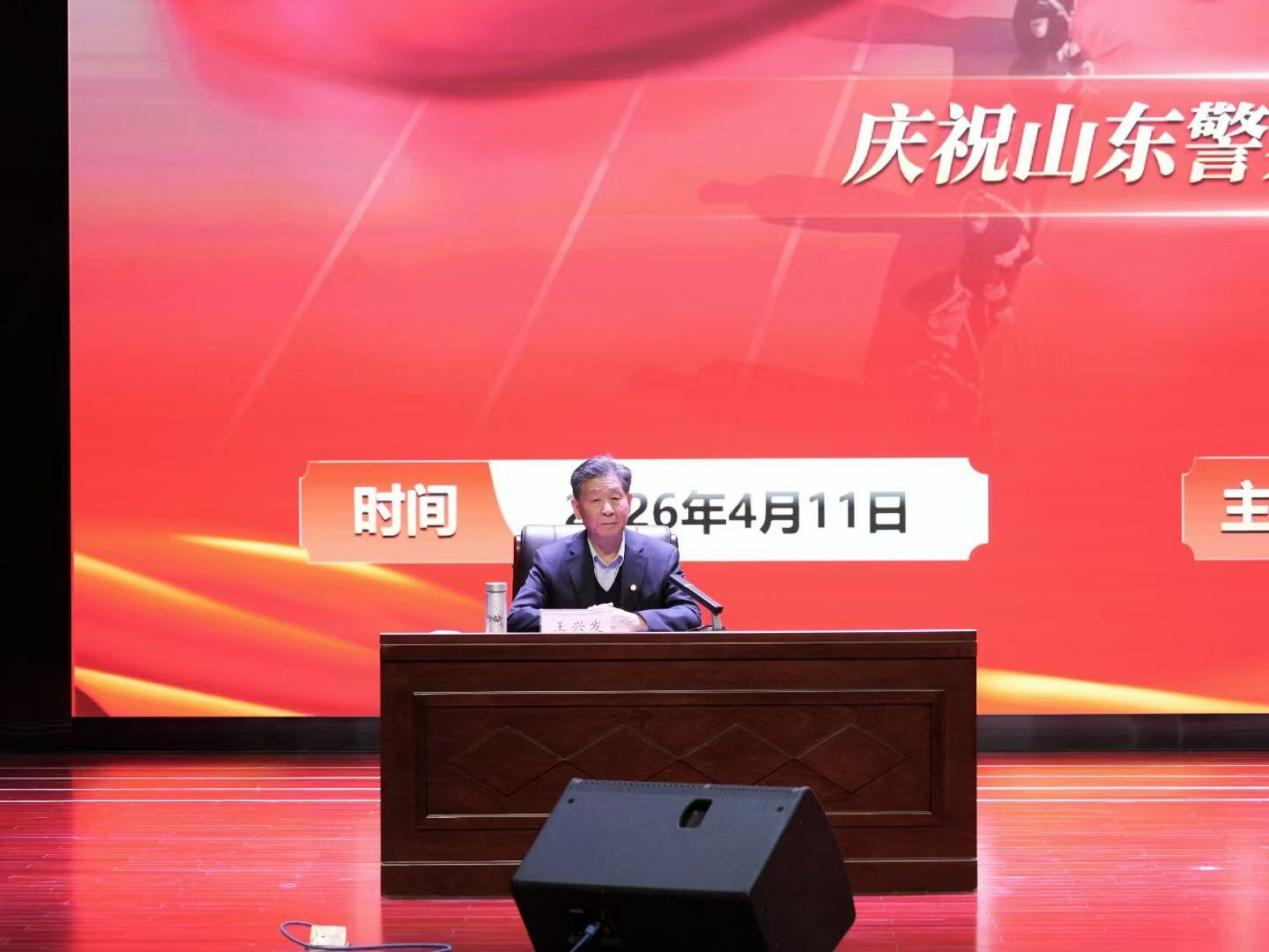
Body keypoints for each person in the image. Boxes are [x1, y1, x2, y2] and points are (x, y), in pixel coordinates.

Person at [507, 456, 702, 632]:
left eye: (615, 498)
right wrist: (587, 621)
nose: (607, 509)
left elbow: (690, 612)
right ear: (577, 508)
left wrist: (639, 621)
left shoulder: (662, 556)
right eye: (595, 500)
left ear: (629, 502)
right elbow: (518, 617)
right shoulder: (550, 560)